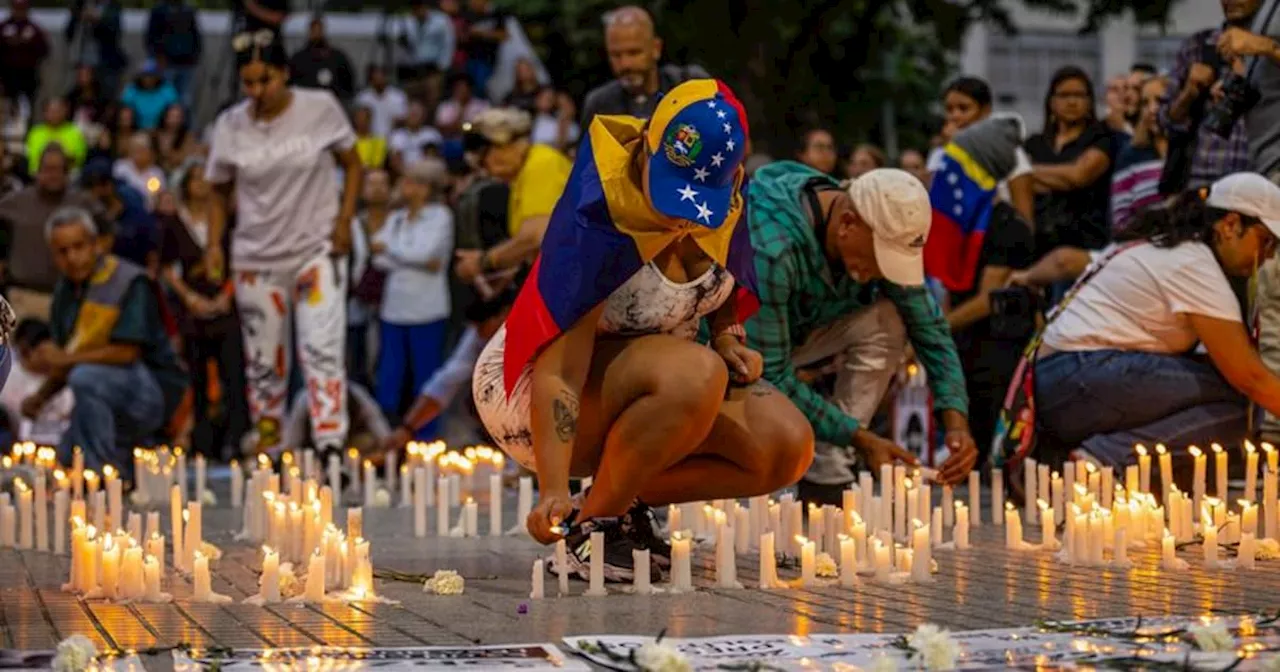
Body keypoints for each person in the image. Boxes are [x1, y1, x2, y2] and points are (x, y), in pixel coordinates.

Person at [472, 79, 813, 581]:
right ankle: (591, 530)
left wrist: (726, 337)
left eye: (697, 195)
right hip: (536, 389)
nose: (682, 209)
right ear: (648, 143)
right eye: (671, 185)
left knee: (784, 445)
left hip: (656, 383)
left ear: (734, 175)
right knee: (696, 374)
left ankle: (617, 497)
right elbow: (560, 368)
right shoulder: (600, 211)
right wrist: (552, 490)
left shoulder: (729, 200)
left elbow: (721, 285)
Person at [745, 165, 977, 504]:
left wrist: (956, 421)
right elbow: (771, 374)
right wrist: (860, 438)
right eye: (879, 260)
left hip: (798, 333)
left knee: (888, 321)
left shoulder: (869, 227)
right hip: (736, 350)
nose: (881, 273)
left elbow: (930, 328)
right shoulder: (772, 249)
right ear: (847, 223)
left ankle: (826, 475)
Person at [1033, 173, 1280, 480]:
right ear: (1230, 225)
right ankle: (1104, 458)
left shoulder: (1175, 248)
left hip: (1065, 383)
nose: (1268, 256)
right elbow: (1250, 377)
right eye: (1266, 241)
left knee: (1236, 407)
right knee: (1243, 398)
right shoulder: (1192, 263)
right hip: (1077, 375)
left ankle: (1092, 457)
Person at [205, 31, 362, 456]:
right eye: (248, 83)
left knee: (321, 347)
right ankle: (270, 449)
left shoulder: (320, 108)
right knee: (263, 363)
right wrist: (214, 243)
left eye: (266, 80)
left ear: (285, 74)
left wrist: (345, 221)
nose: (257, 91)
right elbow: (216, 187)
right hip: (256, 256)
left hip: (316, 247)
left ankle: (330, 443)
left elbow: (353, 163)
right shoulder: (231, 124)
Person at [24, 207, 186, 476]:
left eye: (79, 247)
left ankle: (102, 472)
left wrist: (65, 359)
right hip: (100, 388)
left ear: (95, 245)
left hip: (150, 389)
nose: (73, 258)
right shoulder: (65, 291)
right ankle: (117, 463)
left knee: (85, 377)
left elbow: (127, 353)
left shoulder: (128, 281)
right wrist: (40, 398)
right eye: (62, 251)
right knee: (67, 457)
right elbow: (68, 357)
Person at [923, 117, 1035, 460]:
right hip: (963, 350)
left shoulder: (1007, 226)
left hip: (996, 356)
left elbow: (989, 298)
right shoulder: (963, 224)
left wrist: (934, 331)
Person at [159, 164, 247, 459]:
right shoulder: (174, 222)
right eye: (194, 178)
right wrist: (188, 298)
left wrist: (227, 294)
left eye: (204, 179)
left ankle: (237, 440)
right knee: (197, 379)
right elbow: (168, 267)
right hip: (192, 309)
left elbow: (241, 260)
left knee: (233, 376)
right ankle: (202, 444)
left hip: (226, 304)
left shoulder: (227, 220)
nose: (200, 184)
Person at [371, 159, 455, 436]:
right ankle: (387, 435)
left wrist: (392, 250)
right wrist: (410, 257)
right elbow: (377, 257)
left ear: (423, 188)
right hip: (393, 308)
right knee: (389, 378)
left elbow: (428, 254)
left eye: (408, 181)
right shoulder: (396, 218)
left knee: (427, 378)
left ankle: (427, 439)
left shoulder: (441, 216)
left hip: (426, 309)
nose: (402, 187)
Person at [384, 286, 512, 451]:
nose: (480, 335)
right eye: (477, 330)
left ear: (504, 315)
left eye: (483, 328)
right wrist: (407, 428)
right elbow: (446, 381)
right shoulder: (480, 337)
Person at [451, 108, 570, 285]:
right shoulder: (521, 177)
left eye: (484, 160)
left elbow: (535, 237)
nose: (488, 171)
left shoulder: (541, 164)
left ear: (503, 142)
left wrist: (484, 261)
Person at [0, 145, 102, 321]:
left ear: (67, 173)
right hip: (24, 296)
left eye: (59, 169)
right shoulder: (15, 202)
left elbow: (108, 231)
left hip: (74, 296)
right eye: (48, 169)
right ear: (37, 171)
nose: (53, 175)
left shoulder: (84, 202)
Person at [1026, 66, 1116, 255]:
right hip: (1037, 243)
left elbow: (1078, 176)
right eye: (1064, 95)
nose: (1072, 102)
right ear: (1051, 101)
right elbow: (1017, 183)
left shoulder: (1102, 138)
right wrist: (1061, 177)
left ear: (1090, 101)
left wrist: (1029, 172)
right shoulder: (1034, 144)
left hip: (1084, 243)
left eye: (1079, 95)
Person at [929, 76, 1035, 225]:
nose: (955, 116)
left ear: (985, 111)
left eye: (964, 108)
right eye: (949, 109)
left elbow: (1025, 217)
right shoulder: (939, 153)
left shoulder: (1010, 152)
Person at [579, 6, 709, 128]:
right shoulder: (599, 105)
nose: (625, 64)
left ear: (656, 49)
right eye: (615, 55)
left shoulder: (690, 84)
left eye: (634, 53)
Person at [1110, 76, 1170, 235]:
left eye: (1160, 101)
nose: (1152, 109)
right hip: (1140, 244)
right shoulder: (1131, 153)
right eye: (1145, 103)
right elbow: (1120, 219)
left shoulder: (1193, 149)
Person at [145, 0, 202, 108]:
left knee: (185, 99)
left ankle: (185, 123)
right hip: (166, 62)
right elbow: (150, 37)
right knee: (166, 98)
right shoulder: (159, 10)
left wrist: (196, 55)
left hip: (186, 63)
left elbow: (195, 35)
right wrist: (157, 57)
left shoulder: (188, 9)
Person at [289, 17, 356, 103]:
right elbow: (291, 83)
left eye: (319, 30)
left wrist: (342, 98)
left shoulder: (337, 56)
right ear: (309, 32)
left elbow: (348, 81)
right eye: (314, 30)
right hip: (307, 103)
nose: (317, 33)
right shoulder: (298, 58)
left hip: (332, 103)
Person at [0, 0, 49, 110]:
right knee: (7, 108)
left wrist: (29, 43)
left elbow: (44, 51)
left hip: (28, 77)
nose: (19, 11)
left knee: (26, 109)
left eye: (22, 8)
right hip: (6, 77)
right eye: (17, 7)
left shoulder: (33, 28)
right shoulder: (3, 27)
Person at [26, 98, 87, 176]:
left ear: (65, 111)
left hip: (67, 175)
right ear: (44, 113)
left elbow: (78, 158)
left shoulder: (75, 131)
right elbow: (34, 158)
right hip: (40, 174)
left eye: (58, 111)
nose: (55, 114)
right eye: (51, 111)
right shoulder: (35, 132)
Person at [120, 61, 180, 131]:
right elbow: (124, 108)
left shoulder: (167, 89)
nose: (148, 78)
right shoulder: (132, 89)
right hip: (135, 129)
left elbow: (175, 108)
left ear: (157, 76)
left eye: (151, 75)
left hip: (161, 130)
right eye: (145, 75)